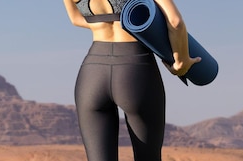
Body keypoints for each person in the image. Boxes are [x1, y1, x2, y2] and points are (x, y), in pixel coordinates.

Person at [62, 0, 201, 160]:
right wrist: (181, 61)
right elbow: (175, 22)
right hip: (135, 70)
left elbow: (75, 19)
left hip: (92, 74)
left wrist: (100, 24)